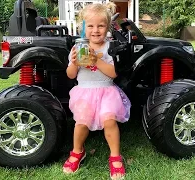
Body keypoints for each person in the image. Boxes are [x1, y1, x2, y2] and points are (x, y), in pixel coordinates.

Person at [63, 2, 131, 180]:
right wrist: (75, 64)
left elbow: (114, 73)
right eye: (91, 26)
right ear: (83, 27)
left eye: (101, 25)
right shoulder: (77, 49)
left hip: (107, 92)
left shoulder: (110, 47)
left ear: (107, 27)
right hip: (85, 92)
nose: (95, 30)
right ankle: (77, 151)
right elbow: (70, 75)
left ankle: (115, 156)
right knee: (81, 123)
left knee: (109, 121)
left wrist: (96, 61)